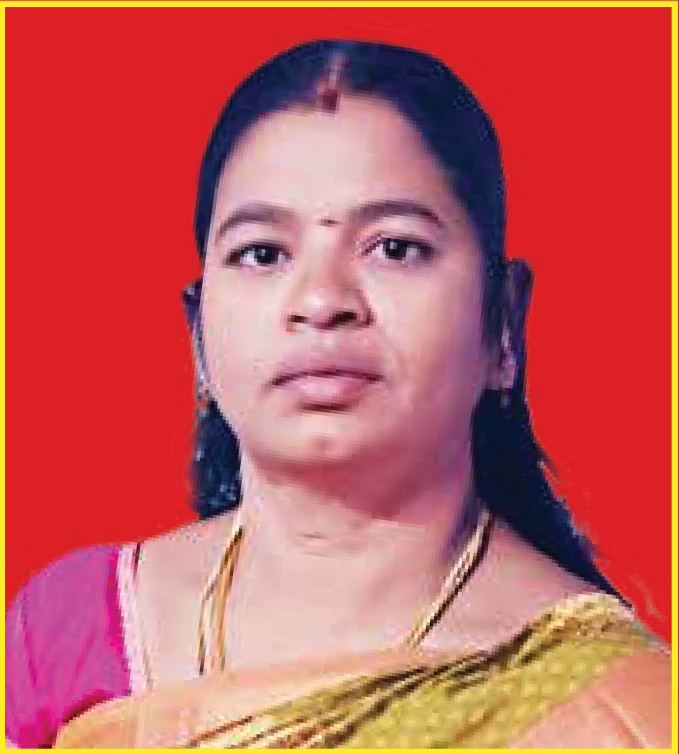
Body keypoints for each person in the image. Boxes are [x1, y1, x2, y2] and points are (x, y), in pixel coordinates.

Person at [5, 39, 671, 749]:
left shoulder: (614, 711)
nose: (321, 301)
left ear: (503, 322)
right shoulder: (71, 630)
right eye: (262, 253)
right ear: (198, 333)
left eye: (395, 248)